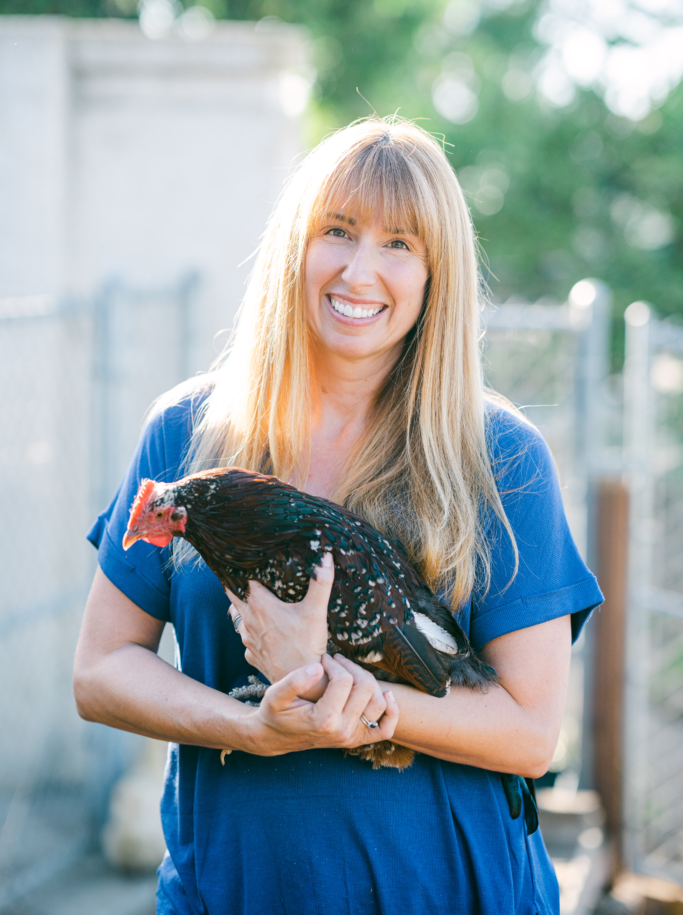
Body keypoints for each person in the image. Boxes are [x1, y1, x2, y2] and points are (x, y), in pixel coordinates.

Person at [74, 118, 604, 915]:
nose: (361, 270)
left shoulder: (498, 457)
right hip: (235, 890)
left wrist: (327, 689)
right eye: (338, 231)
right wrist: (251, 727)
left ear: (436, 276)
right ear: (295, 244)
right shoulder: (188, 433)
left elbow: (528, 735)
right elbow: (101, 671)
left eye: (400, 244)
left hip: (448, 892)